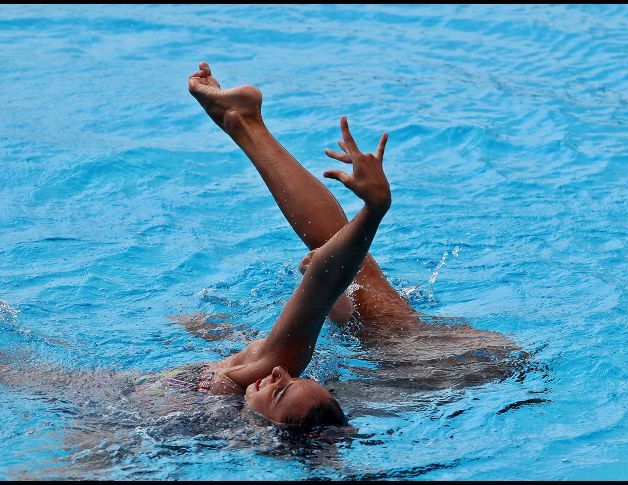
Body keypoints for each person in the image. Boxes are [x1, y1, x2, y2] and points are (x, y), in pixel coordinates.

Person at [187, 62, 525, 430]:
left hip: (431, 373)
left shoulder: (235, 404)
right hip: (443, 370)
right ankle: (244, 125)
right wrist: (374, 210)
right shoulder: (265, 376)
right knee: (366, 299)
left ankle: (245, 124)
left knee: (364, 295)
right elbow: (320, 280)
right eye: (293, 382)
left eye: (284, 389)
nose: (283, 373)